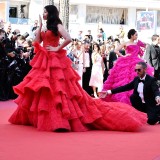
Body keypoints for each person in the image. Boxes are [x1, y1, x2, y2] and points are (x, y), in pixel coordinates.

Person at [8, 5, 147, 132]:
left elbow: (68, 38)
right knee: (43, 88)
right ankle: (41, 118)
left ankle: (60, 119)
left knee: (59, 89)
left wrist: (57, 48)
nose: (43, 13)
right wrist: (39, 28)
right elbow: (36, 42)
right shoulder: (44, 26)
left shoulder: (57, 25)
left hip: (55, 60)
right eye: (43, 11)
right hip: (43, 60)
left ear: (50, 13)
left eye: (45, 11)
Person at [103, 29, 154, 105]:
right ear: (132, 35)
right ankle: (122, 99)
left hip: (136, 61)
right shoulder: (125, 43)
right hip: (126, 62)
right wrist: (123, 56)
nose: (137, 36)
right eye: (136, 35)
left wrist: (142, 47)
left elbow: (141, 52)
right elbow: (116, 50)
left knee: (137, 78)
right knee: (124, 80)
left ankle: (139, 98)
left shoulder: (137, 43)